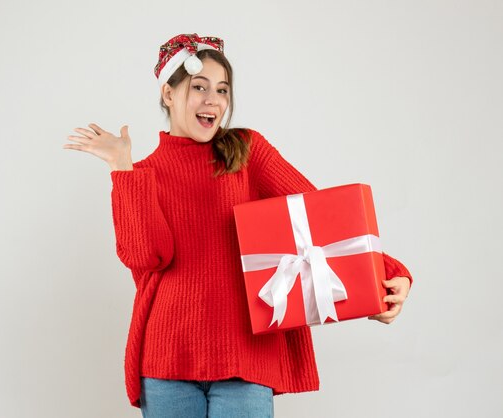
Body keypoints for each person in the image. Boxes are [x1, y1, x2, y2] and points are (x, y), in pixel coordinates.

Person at [63, 33, 412, 418]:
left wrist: (389, 275)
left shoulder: (246, 151)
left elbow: (319, 218)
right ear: (168, 94)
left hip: (246, 355)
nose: (213, 100)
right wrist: (122, 169)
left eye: (222, 90)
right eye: (199, 87)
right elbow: (148, 256)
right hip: (167, 359)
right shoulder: (140, 175)